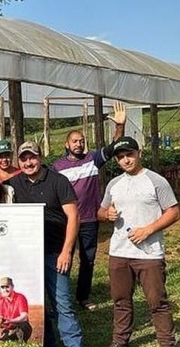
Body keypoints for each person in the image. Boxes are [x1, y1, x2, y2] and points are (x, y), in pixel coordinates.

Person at [7, 140, 97, 347]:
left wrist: (67, 251)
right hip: (26, 257)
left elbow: (73, 216)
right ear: (19, 161)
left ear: (40, 157)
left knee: (63, 305)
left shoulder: (58, 181)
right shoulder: (13, 185)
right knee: (37, 306)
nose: (28, 162)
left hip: (54, 253)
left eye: (32, 157)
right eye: (23, 158)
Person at [97, 136, 180, 347]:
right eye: (121, 157)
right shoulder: (114, 184)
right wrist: (107, 215)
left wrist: (149, 229)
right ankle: (121, 340)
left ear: (139, 153)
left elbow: (173, 212)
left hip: (149, 254)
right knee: (121, 299)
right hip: (119, 251)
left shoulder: (156, 181)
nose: (126, 160)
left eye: (129, 155)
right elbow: (101, 211)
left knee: (157, 301)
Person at [51, 102, 127, 311]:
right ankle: (60, 298)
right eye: (75, 141)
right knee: (62, 258)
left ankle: (83, 297)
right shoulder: (57, 167)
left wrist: (120, 126)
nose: (78, 144)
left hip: (89, 220)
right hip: (66, 222)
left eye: (81, 141)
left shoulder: (92, 160)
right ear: (67, 144)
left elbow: (115, 148)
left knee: (88, 260)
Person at [0, 277, 32, 342]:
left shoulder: (20, 297)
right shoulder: (1, 302)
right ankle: (11, 337)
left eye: (7, 287)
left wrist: (11, 320)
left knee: (23, 327)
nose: (5, 289)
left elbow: (24, 317)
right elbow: (2, 320)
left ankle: (21, 342)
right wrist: (0, 321)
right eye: (3, 287)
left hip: (20, 327)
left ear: (12, 287)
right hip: (9, 329)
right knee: (0, 343)